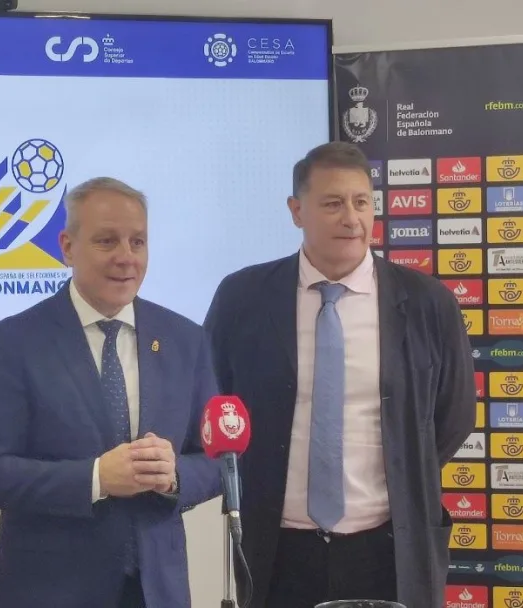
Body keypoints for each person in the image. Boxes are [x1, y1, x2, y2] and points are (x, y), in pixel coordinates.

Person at [202, 142, 476, 608]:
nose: (351, 219)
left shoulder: (427, 302)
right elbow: (212, 402)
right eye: (332, 204)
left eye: (361, 202)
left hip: (390, 549)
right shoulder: (242, 297)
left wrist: (403, 468)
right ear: (296, 211)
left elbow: (454, 416)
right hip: (276, 549)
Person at [0, 176, 222, 608]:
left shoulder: (184, 339)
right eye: (106, 241)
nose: (126, 257)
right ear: (67, 247)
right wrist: (95, 478)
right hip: (49, 591)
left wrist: (175, 476)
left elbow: (220, 460)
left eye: (138, 242)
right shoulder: (15, 342)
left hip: (157, 591)